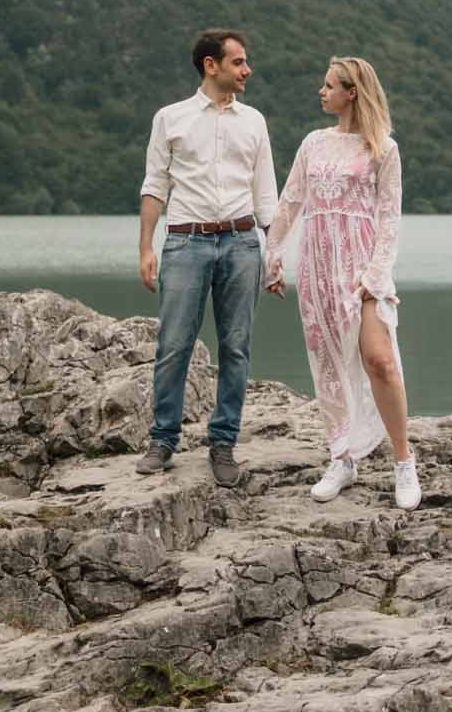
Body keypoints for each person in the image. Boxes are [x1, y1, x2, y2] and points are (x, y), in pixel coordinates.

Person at [265, 54, 420, 511]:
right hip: (316, 267)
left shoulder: (384, 148)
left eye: (329, 85)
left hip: (363, 268)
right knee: (329, 365)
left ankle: (403, 461)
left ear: (352, 92)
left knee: (379, 360)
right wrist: (271, 257)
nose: (321, 91)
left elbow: (390, 218)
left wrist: (375, 274)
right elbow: (290, 202)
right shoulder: (313, 143)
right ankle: (342, 457)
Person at [136, 29, 278, 487]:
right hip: (185, 242)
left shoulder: (254, 121)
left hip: (242, 242)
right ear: (210, 65)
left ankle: (223, 444)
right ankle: (163, 440)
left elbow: (266, 194)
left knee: (236, 347)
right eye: (238, 62)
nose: (247, 70)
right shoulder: (170, 118)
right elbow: (154, 185)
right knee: (173, 346)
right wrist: (144, 248)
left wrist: (273, 254)